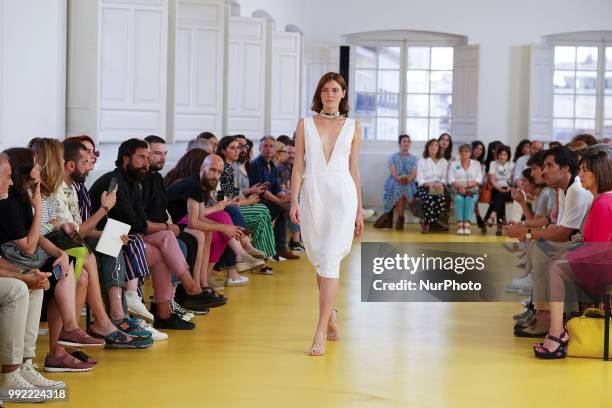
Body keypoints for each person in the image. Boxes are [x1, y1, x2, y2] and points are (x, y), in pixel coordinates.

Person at [89, 139, 209, 330]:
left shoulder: (135, 182)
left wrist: (165, 227)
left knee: (171, 245)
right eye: (142, 158)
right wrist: (167, 227)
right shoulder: (115, 182)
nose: (147, 162)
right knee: (173, 239)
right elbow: (135, 223)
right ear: (126, 158)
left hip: (125, 239)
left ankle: (165, 312)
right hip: (104, 243)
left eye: (148, 158)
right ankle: (188, 289)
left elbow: (141, 220)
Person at [290, 72, 364, 356]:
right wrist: (294, 200)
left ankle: (319, 331)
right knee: (319, 257)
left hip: (343, 196)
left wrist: (359, 208)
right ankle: (331, 315)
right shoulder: (305, 124)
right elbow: (298, 165)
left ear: (343, 94)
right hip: (313, 194)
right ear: (319, 94)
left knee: (331, 257)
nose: (330, 95)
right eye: (325, 90)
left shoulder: (354, 126)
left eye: (335, 90)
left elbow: (354, 169)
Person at [534, 150, 612, 358]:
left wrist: (568, 258)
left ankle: (556, 332)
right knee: (556, 263)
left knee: (556, 269)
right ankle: (556, 328)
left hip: (604, 268)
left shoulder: (604, 203)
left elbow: (600, 250)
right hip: (602, 262)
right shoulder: (601, 200)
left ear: (599, 174)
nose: (580, 175)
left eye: (585, 171)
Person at [0, 152, 65, 401]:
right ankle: (9, 376)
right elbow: (29, 246)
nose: (11, 182)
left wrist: (27, 274)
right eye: (6, 178)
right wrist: (38, 207)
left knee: (36, 283)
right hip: (14, 260)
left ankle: (25, 365)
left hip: (9, 263)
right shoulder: (6, 205)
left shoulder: (13, 199)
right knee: (18, 288)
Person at [249, 137, 298, 260]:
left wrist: (286, 197)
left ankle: (281, 248)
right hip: (257, 202)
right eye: (265, 146)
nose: (269, 149)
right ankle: (279, 248)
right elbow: (262, 190)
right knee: (284, 209)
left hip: (269, 201)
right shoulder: (255, 165)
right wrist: (279, 201)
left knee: (288, 206)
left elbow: (276, 188)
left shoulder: (272, 165)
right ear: (260, 149)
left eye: (271, 146)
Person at [374, 134, 417, 230]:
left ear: (410, 144)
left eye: (408, 141)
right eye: (404, 141)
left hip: (410, 182)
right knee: (399, 186)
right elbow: (393, 172)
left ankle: (401, 219)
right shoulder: (392, 157)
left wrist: (407, 180)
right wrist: (400, 180)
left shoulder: (414, 158)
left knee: (402, 187)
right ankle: (411, 204)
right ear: (400, 144)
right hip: (394, 181)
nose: (406, 143)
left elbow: (414, 174)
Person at [448, 144, 483, 235]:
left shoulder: (476, 164)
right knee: (459, 199)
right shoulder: (453, 164)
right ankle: (460, 224)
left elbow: (479, 179)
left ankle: (467, 224)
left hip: (472, 190)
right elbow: (451, 179)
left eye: (466, 151)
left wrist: (466, 186)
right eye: (462, 151)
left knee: (469, 199)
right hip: (456, 190)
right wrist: (460, 187)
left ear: (470, 153)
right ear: (459, 153)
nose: (464, 153)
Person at [415, 139, 449, 234]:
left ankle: (428, 222)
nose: (433, 147)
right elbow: (420, 179)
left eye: (436, 145)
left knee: (440, 199)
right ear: (427, 148)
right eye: (431, 145)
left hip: (439, 187)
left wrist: (440, 183)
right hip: (425, 187)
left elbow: (446, 178)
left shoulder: (444, 162)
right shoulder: (422, 161)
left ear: (439, 148)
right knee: (429, 198)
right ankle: (428, 223)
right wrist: (430, 184)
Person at [484, 144, 514, 235]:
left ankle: (492, 217)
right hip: (496, 188)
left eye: (505, 154)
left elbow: (512, 181)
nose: (502, 156)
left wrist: (509, 187)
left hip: (509, 190)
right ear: (498, 155)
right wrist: (499, 188)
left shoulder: (512, 165)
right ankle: (500, 226)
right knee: (500, 197)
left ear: (508, 156)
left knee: (499, 198)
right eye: (501, 154)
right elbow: (492, 180)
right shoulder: (493, 163)